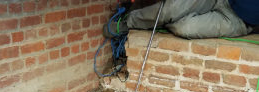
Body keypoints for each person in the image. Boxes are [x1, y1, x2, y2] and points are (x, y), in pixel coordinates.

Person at [106, 0, 259, 39]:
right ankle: (128, 22)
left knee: (185, 28)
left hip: (238, 20)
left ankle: (160, 23)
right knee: (171, 9)